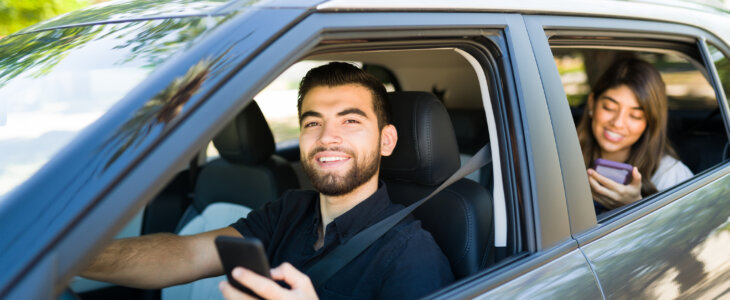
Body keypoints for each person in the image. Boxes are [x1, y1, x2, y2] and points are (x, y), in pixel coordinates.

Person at [81, 62, 454, 299]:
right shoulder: (290, 210)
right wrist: (64, 258)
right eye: (312, 123)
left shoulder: (411, 255)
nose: (327, 137)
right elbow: (188, 254)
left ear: (386, 141)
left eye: (350, 120)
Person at [577, 58, 693, 213]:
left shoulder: (670, 175)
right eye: (609, 107)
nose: (618, 123)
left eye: (635, 116)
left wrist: (635, 207)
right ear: (592, 104)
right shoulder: (561, 158)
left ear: (649, 122)